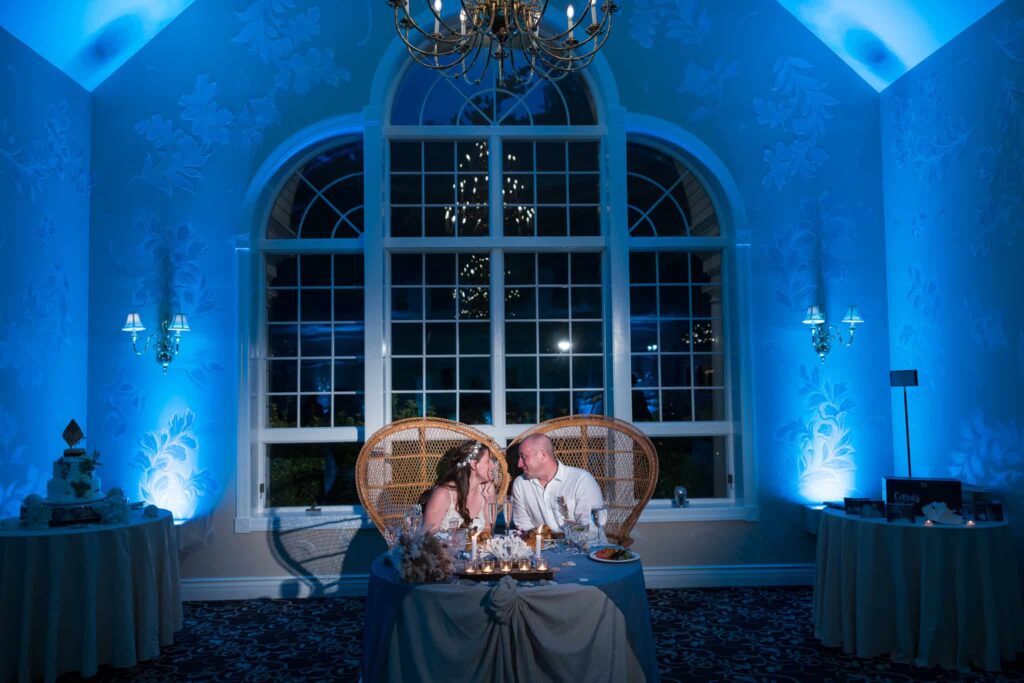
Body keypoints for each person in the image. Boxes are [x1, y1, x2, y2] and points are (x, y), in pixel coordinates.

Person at [511, 433, 603, 536]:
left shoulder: (581, 481)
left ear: (542, 455)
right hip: (541, 551)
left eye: (523, 457)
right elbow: (524, 529)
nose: (519, 464)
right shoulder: (520, 484)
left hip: (586, 550)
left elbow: (590, 530)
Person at [419, 440, 497, 535]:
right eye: (488, 461)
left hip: (479, 549)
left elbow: (488, 532)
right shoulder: (443, 494)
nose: (493, 466)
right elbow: (425, 537)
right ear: (473, 464)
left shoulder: (487, 490)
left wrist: (488, 500)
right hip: (444, 549)